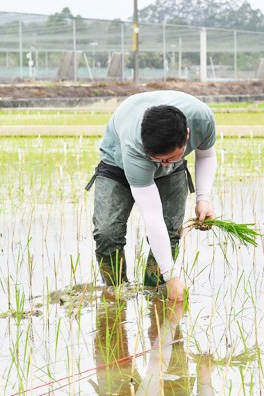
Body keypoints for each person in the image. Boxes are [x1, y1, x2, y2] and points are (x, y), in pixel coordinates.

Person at [86, 90, 218, 302]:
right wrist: (172, 277)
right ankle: (116, 294)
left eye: (170, 157)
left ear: (187, 135)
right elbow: (152, 217)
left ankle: (154, 295)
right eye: (158, 159)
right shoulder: (134, 145)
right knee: (107, 233)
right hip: (117, 165)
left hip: (173, 173)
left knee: (170, 231)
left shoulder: (202, 119)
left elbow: (207, 155)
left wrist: (203, 199)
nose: (163, 164)